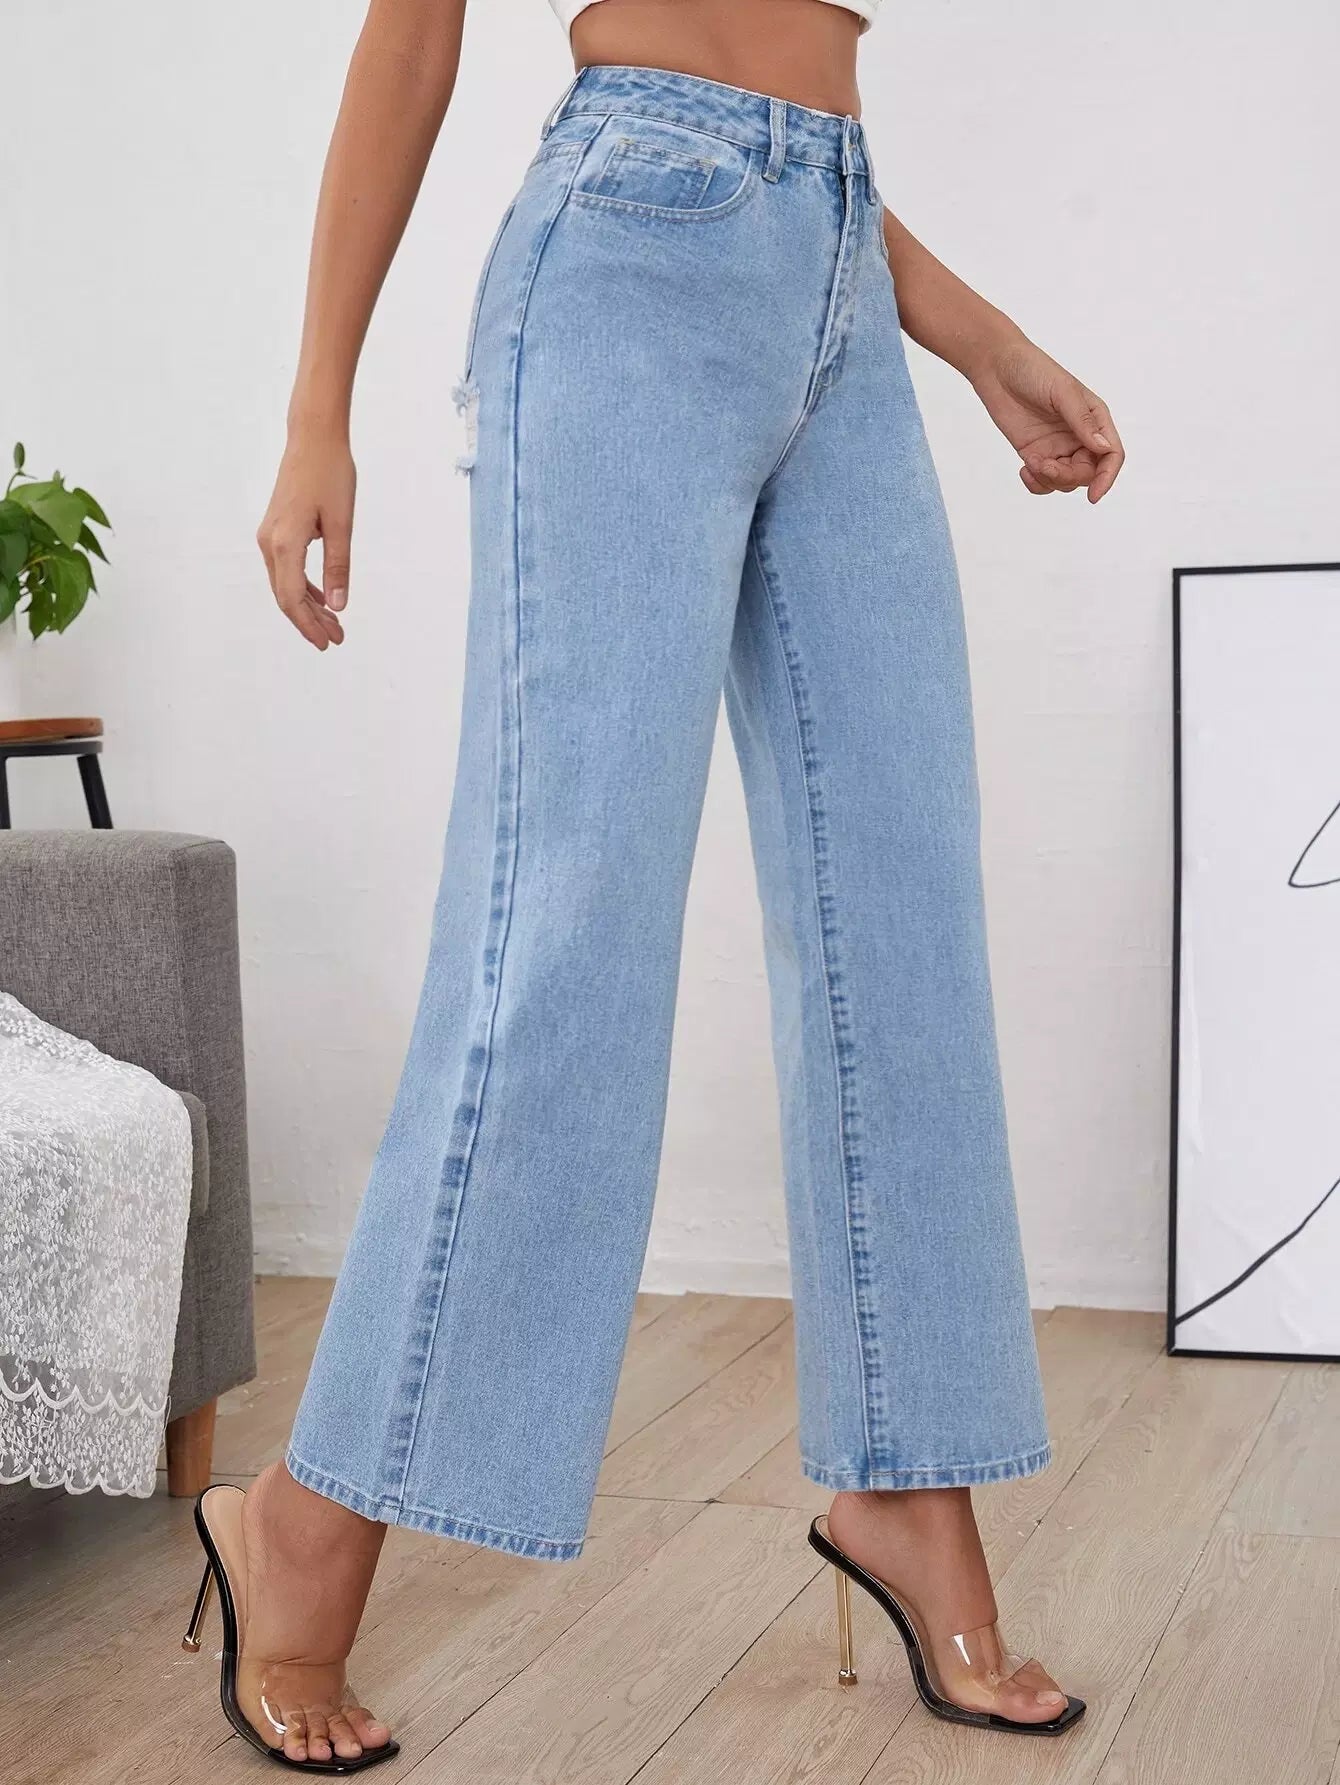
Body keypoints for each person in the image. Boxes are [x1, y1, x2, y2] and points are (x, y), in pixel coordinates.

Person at [205, 0, 1124, 1769]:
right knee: (563, 932)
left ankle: (908, 1485)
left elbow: (795, 116)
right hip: (624, 258)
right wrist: (318, 409)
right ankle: (304, 1519)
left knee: (901, 924)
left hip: (842, 269)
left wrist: (978, 336)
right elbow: (412, 39)